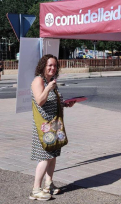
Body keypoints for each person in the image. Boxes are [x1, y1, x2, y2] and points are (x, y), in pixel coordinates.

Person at [29, 54, 76, 201]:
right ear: (43, 66)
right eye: (50, 65)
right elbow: (40, 101)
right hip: (44, 127)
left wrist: (65, 104)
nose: (52, 68)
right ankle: (35, 190)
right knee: (45, 157)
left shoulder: (51, 81)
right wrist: (49, 88)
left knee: (53, 155)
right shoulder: (39, 81)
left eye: (55, 66)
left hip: (54, 126)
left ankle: (48, 184)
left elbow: (52, 102)